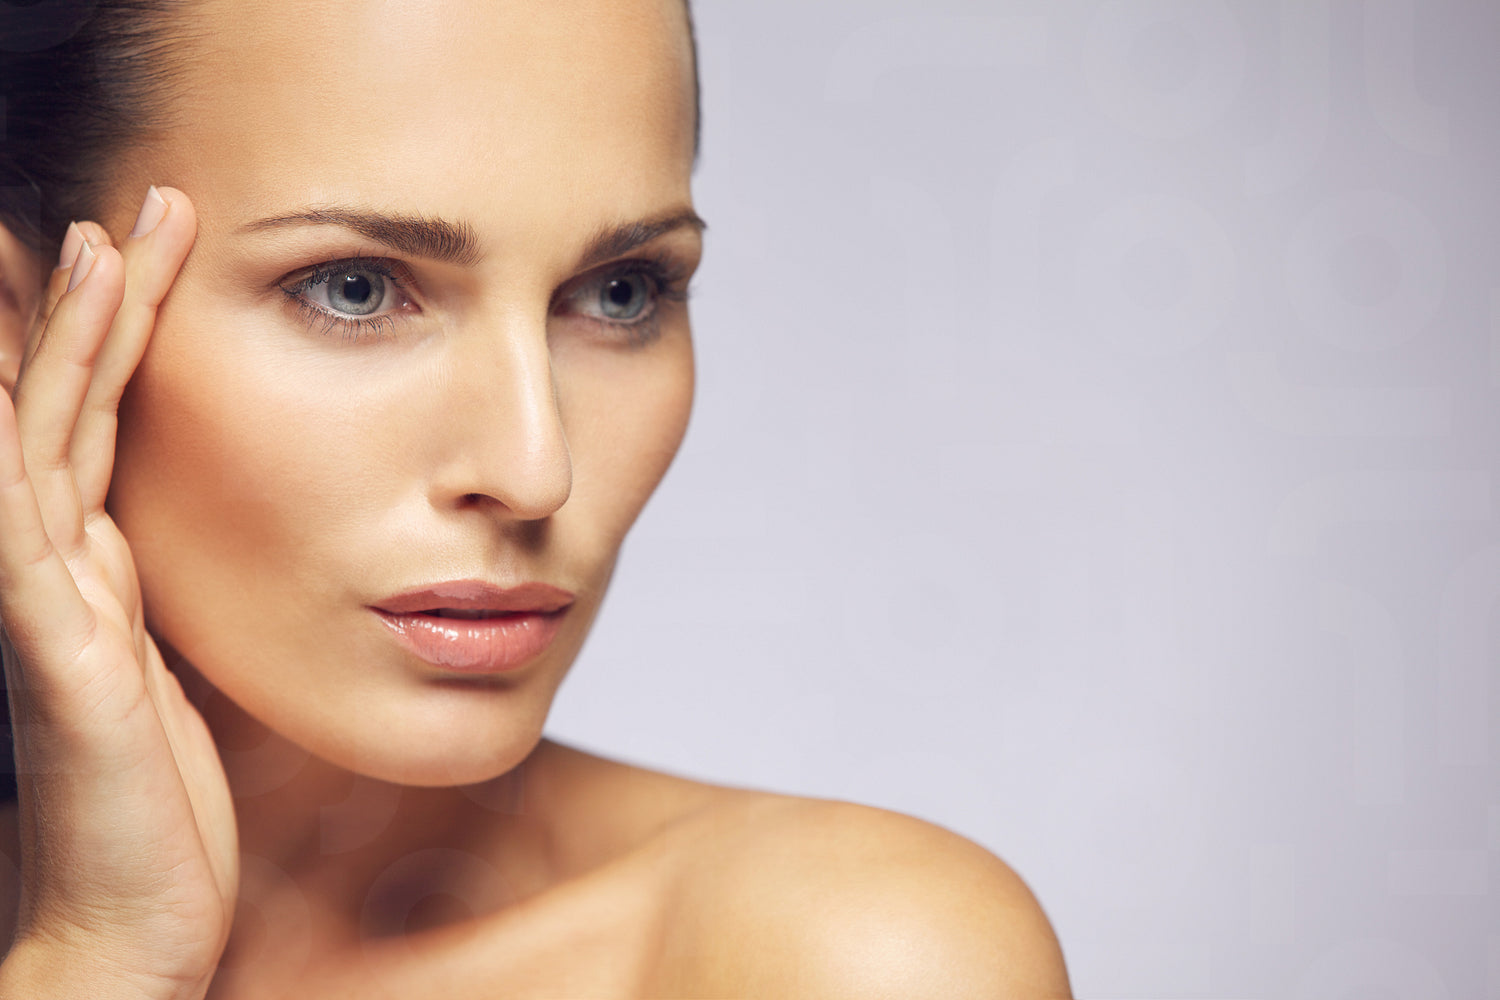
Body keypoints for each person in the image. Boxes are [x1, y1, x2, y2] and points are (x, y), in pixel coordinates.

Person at [0, 1, 1072, 996]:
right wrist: (103, 959)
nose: (535, 470)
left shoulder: (848, 957)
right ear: (19, 320)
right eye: (354, 287)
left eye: (621, 291)